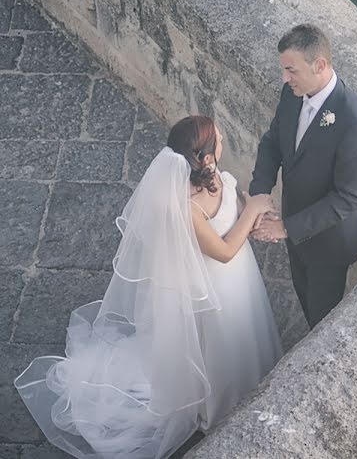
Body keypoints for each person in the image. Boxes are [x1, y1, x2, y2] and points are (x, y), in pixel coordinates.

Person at [14, 116, 282, 459]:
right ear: (205, 156)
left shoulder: (217, 178)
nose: (222, 137)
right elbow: (226, 251)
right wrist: (254, 211)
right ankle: (220, 405)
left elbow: (236, 209)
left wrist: (256, 214)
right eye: (217, 137)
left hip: (241, 280)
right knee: (222, 343)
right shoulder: (186, 207)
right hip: (215, 290)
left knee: (248, 329)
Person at [250, 24, 357, 329]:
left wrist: (285, 227)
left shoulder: (355, 124)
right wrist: (260, 191)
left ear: (319, 65)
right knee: (303, 294)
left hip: (330, 242)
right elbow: (273, 140)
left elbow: (347, 199)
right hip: (295, 226)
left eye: (291, 70)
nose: (284, 78)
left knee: (322, 319)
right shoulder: (293, 93)